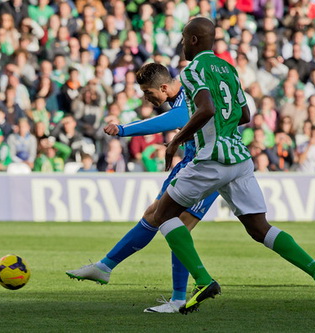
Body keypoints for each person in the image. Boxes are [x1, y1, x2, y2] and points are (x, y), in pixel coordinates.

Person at [149, 17, 315, 316]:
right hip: (239, 157)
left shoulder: (192, 71)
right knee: (259, 228)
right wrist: (221, 128)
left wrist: (177, 141)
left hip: (211, 159)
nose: (182, 42)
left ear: (195, 40)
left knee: (162, 215)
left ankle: (203, 281)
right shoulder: (228, 68)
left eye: (185, 37)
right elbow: (245, 114)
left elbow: (207, 107)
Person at [66, 63, 219, 313]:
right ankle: (106, 267)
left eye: (149, 93)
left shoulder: (188, 94)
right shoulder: (180, 94)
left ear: (163, 86)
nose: (147, 99)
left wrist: (125, 129)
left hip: (209, 167)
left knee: (178, 225)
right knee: (157, 217)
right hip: (193, 163)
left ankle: (180, 294)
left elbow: (175, 119)